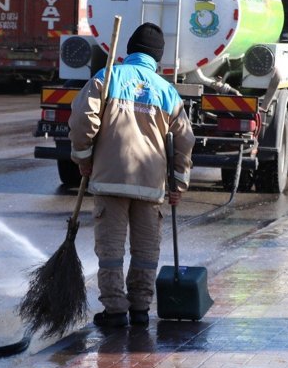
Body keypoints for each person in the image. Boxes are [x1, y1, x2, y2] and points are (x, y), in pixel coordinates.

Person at [68, 22, 195, 328]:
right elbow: (184, 140)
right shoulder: (167, 92)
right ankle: (140, 309)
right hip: (150, 186)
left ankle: (114, 310)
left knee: (110, 251)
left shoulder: (107, 77)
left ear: (129, 50)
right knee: (146, 250)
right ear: (158, 57)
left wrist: (83, 158)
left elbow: (82, 120)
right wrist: (178, 183)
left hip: (109, 180)